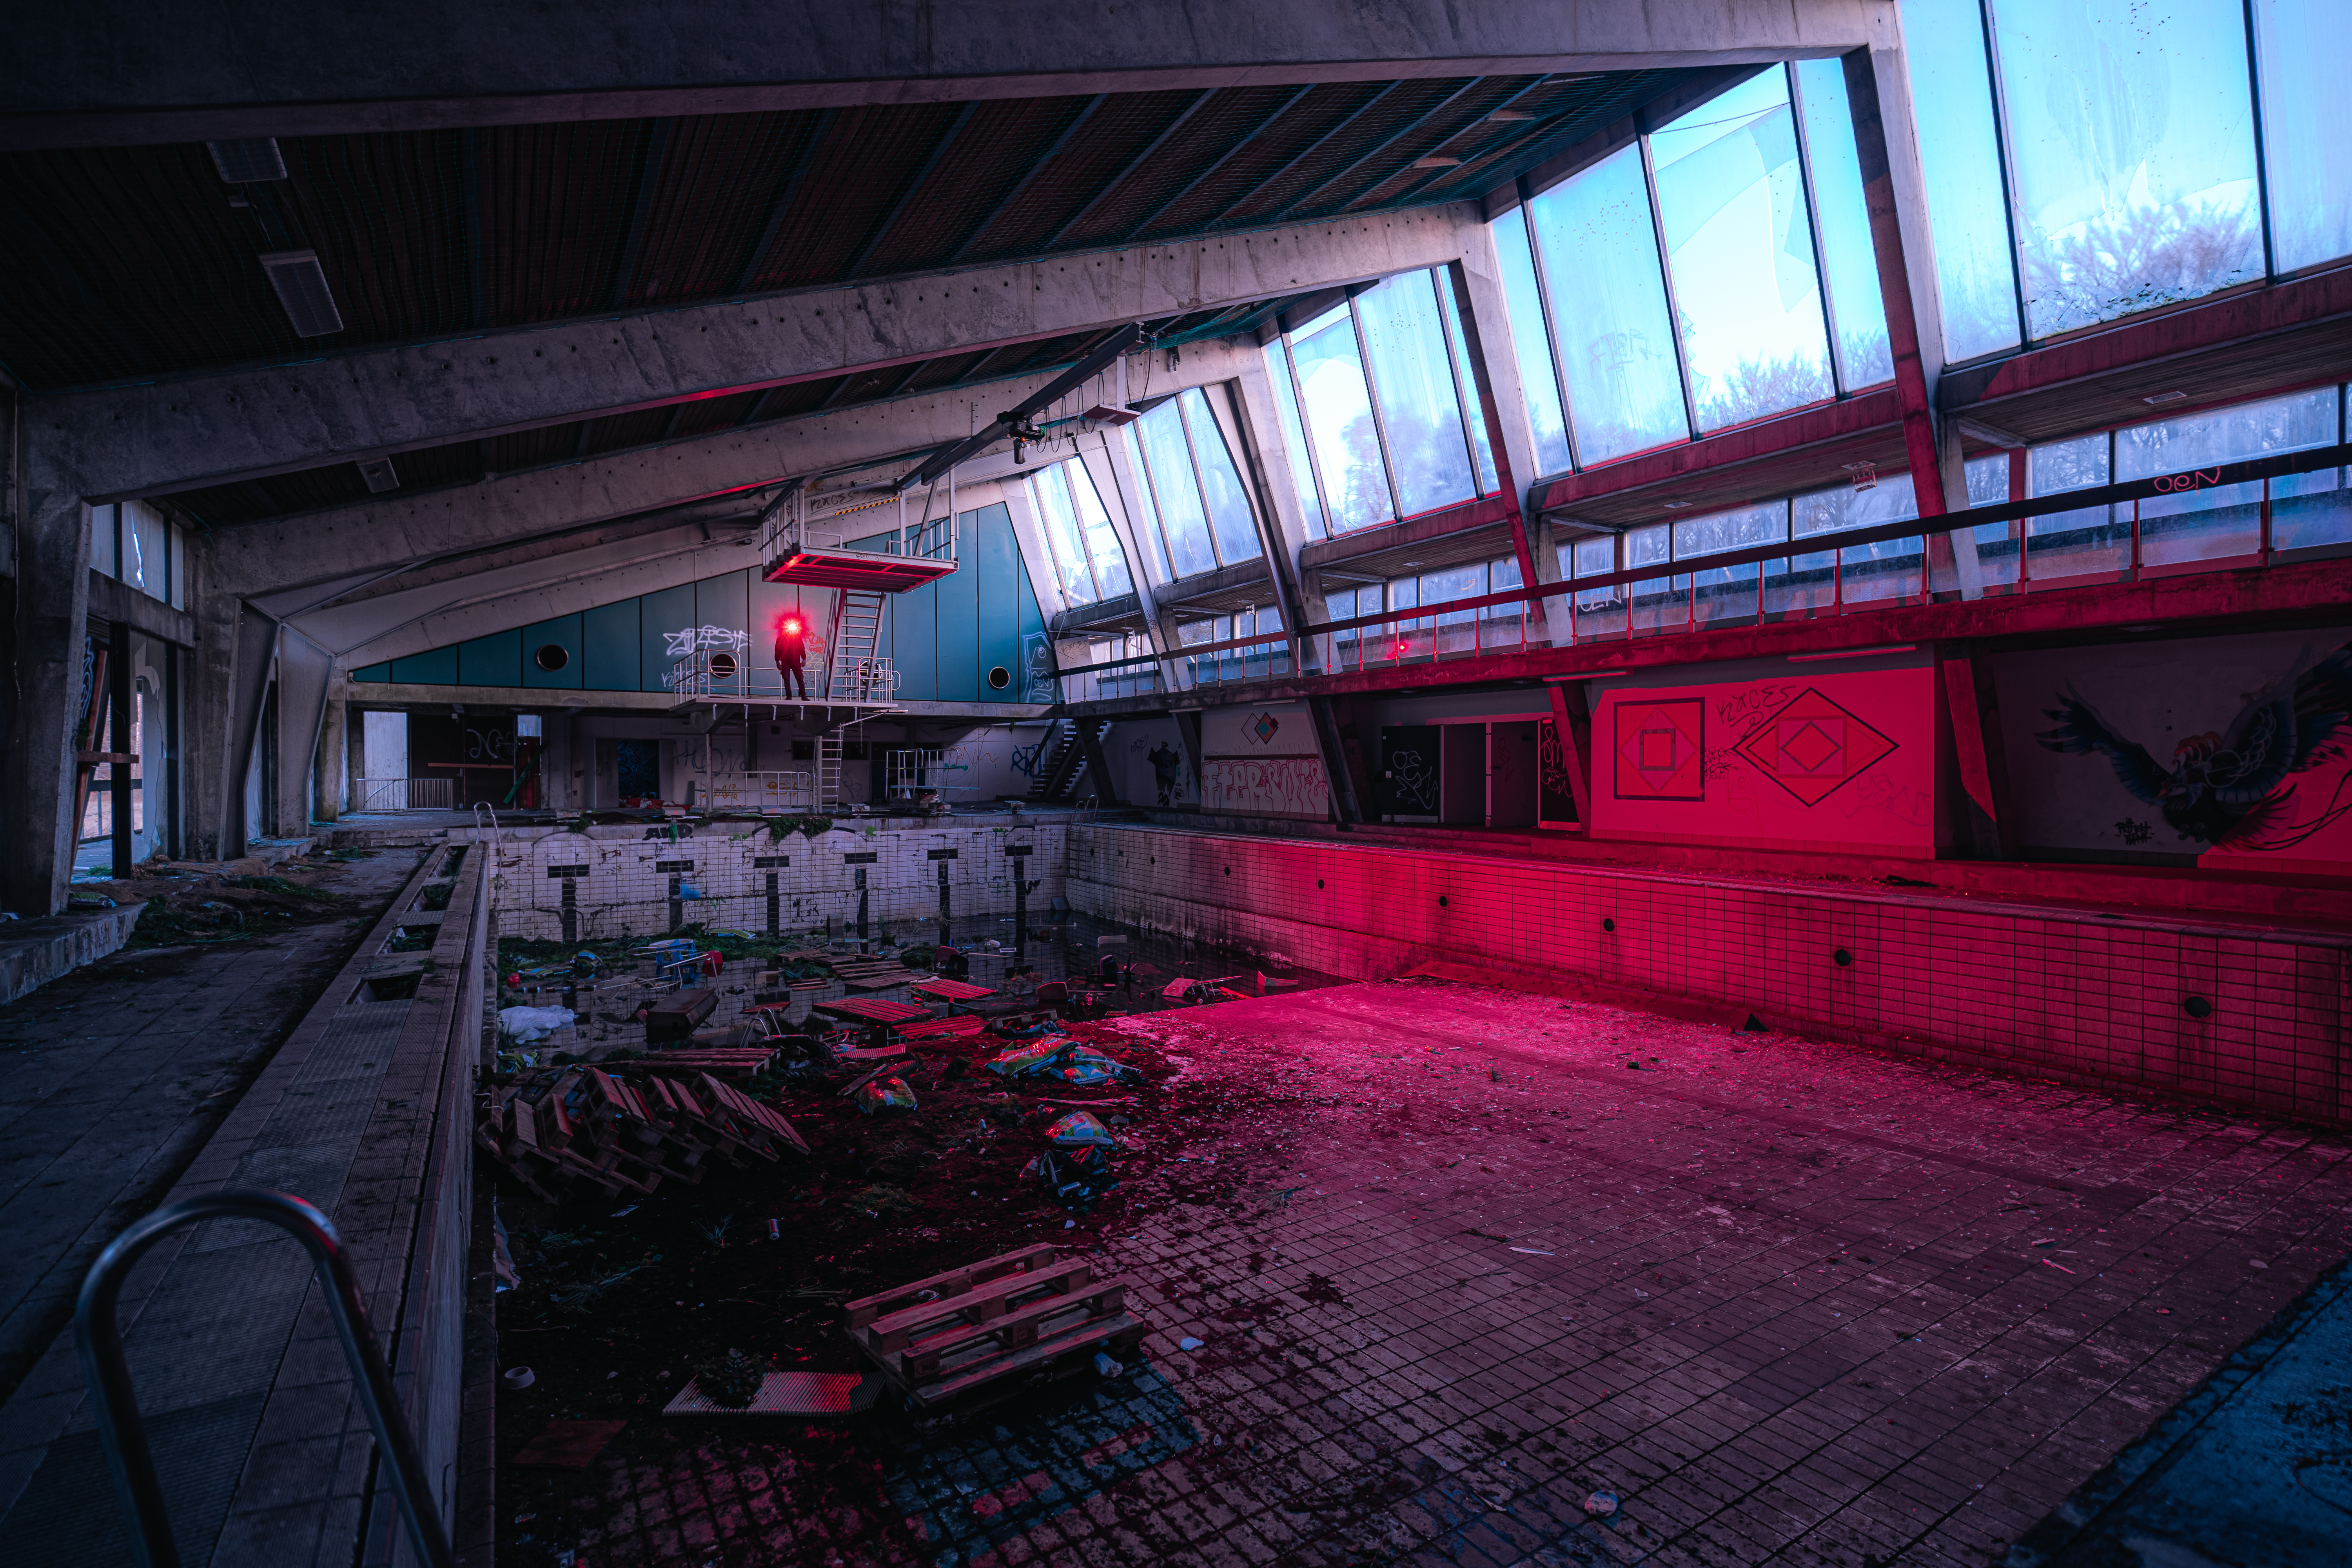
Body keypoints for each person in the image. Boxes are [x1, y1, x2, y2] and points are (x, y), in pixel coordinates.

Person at [774, 612, 810, 699]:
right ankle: (790, 696)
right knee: (787, 679)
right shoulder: (781, 639)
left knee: (800, 679)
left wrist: (804, 659)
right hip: (786, 661)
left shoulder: (796, 637)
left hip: (794, 660)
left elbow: (801, 648)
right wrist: (777, 661)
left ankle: (803, 696)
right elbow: (778, 650)